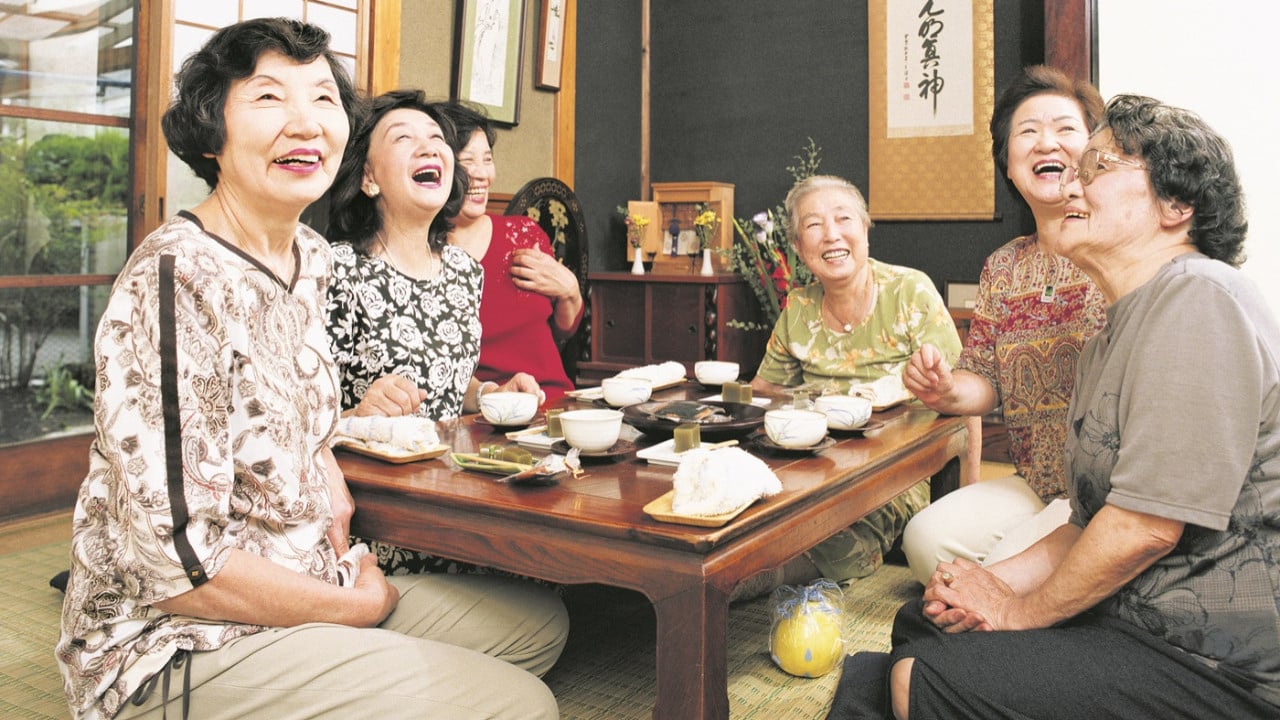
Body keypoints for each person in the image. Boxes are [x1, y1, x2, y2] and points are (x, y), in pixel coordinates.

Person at [55, 20, 566, 720]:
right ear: (212, 131)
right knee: (520, 704)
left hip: (302, 571)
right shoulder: (177, 277)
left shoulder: (309, 259)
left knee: (540, 625)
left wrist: (328, 477)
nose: (306, 123)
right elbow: (180, 568)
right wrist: (357, 605)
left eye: (324, 99)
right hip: (180, 637)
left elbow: (303, 413)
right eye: (269, 98)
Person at [830, 94, 1280, 720]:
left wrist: (1015, 610)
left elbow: (1144, 528)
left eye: (1097, 167)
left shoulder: (1199, 298)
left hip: (1210, 658)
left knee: (923, 678)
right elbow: (1091, 519)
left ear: (1177, 206)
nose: (1072, 180)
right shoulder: (1110, 334)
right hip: (1135, 607)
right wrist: (991, 586)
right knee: (924, 622)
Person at [900, 65, 1108, 586]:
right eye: (1028, 131)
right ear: (1009, 165)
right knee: (924, 541)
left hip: (1105, 489)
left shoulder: (1115, 247)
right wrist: (945, 388)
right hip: (1037, 481)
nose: (1046, 143)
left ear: (1096, 154)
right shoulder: (1003, 266)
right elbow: (984, 380)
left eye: (1065, 129)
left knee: (990, 581)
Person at [744, 174, 963, 594]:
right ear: (797, 246)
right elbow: (763, 393)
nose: (831, 235)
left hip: (895, 469)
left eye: (844, 219)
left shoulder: (909, 292)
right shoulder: (799, 307)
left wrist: (962, 505)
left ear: (864, 229)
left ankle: (750, 582)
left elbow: (962, 398)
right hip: (811, 462)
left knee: (841, 534)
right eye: (813, 225)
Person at [325, 90, 542, 420]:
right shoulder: (335, 269)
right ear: (368, 177)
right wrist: (358, 414)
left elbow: (449, 382)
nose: (428, 148)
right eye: (402, 137)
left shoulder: (464, 271)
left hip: (446, 469)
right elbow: (294, 417)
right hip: (367, 470)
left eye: (436, 137)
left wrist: (491, 394)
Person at [434, 101, 584, 404]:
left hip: (556, 401)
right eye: (466, 161)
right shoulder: (422, 254)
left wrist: (570, 292)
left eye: (487, 159)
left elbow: (557, 334)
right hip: (488, 412)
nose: (482, 175)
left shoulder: (524, 233)